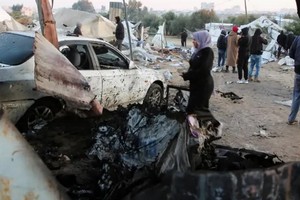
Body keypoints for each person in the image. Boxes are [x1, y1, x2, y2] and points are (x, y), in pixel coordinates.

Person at [181, 30, 222, 136]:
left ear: (202, 40)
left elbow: (203, 70)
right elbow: (195, 66)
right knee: (197, 108)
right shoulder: (199, 51)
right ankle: (199, 130)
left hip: (203, 85)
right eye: (193, 39)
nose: (193, 42)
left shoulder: (207, 52)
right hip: (197, 84)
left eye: (195, 40)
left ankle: (215, 126)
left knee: (197, 109)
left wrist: (187, 76)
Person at [287, 36, 300, 125]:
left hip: (298, 69)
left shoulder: (298, 38)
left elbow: (291, 53)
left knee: (296, 95)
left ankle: (291, 119)